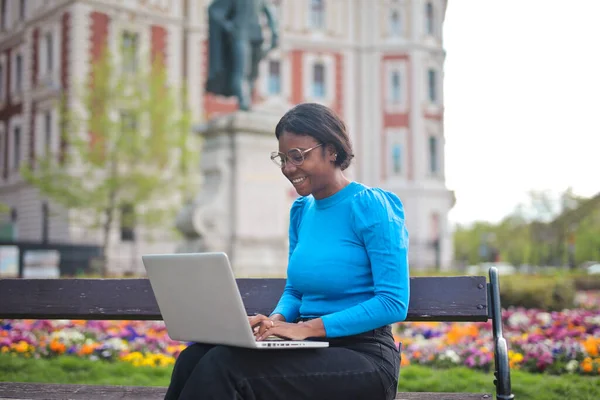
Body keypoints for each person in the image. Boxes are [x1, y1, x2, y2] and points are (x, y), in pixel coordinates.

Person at [165, 103, 410, 400]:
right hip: (309, 348)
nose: (288, 168)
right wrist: (278, 320)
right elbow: (295, 290)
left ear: (332, 150)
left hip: (364, 357)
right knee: (194, 358)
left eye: (297, 157)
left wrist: (307, 328)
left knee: (226, 367)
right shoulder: (301, 211)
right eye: (282, 158)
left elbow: (393, 302)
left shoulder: (371, 205)